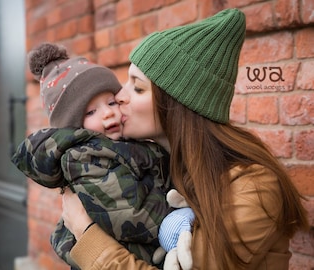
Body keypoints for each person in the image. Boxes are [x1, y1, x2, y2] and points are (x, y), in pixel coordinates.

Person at [61, 8, 309, 270]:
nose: (119, 96)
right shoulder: (160, 168)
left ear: (179, 105)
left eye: (138, 87)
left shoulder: (254, 188)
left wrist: (85, 231)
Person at [11, 43, 172, 269]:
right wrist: (175, 217)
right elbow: (130, 215)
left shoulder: (123, 143)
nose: (108, 113)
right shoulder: (85, 158)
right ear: (75, 126)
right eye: (91, 112)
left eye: (111, 102)